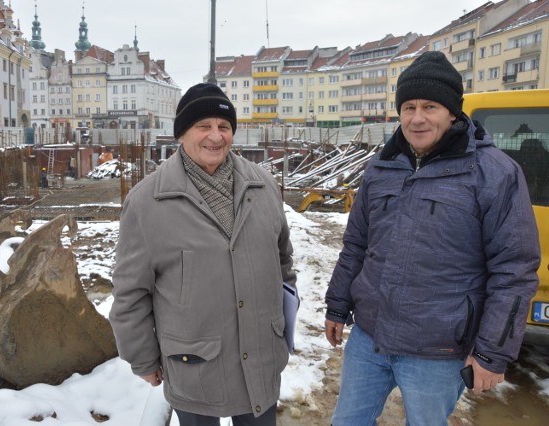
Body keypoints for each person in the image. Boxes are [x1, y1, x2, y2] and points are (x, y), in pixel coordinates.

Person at [324, 51, 540, 425]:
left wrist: (492, 353)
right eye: (408, 107)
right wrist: (337, 306)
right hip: (369, 338)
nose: (417, 117)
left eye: (430, 106)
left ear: (453, 112)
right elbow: (357, 245)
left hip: (438, 349)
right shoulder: (382, 167)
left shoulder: (493, 173)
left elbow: (514, 270)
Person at [109, 83, 297, 425]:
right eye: (203, 126)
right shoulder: (147, 202)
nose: (216, 136)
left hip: (261, 358)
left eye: (224, 127)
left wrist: (282, 326)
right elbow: (130, 292)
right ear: (182, 134)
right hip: (193, 364)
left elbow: (283, 260)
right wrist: (143, 358)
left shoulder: (263, 184)